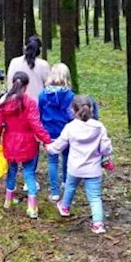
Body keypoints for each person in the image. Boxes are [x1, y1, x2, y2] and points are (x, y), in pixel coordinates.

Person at [47, 95, 113, 233]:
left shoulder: (70, 127)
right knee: (95, 197)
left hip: (75, 168)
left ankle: (65, 207)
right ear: (92, 109)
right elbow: (106, 148)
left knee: (70, 187)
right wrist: (104, 153)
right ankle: (98, 224)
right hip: (93, 169)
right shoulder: (99, 127)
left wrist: (48, 147)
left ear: (73, 110)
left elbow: (58, 146)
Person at [0, 72, 52, 219]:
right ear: (26, 86)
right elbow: (36, 124)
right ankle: (32, 207)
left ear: (13, 83)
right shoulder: (29, 102)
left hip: (10, 142)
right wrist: (47, 140)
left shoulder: (4, 102)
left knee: (11, 170)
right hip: (28, 142)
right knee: (29, 173)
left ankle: (8, 200)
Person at [38, 63, 76, 202]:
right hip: (66, 132)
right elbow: (72, 115)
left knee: (52, 162)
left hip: (49, 133)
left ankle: (54, 192)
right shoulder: (70, 96)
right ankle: (66, 185)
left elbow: (39, 113)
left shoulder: (43, 94)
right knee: (67, 159)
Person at [6, 36, 50, 104]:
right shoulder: (43, 64)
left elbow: (10, 84)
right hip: (37, 105)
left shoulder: (14, 62)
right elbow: (48, 86)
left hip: (17, 104)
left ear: (25, 47)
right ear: (40, 49)